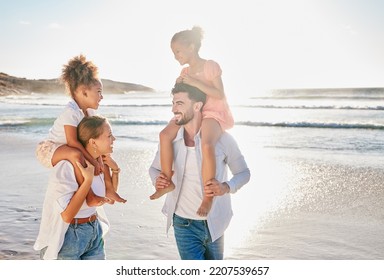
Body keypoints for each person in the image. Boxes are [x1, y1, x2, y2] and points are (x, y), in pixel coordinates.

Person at [149, 83, 250, 260]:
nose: (173, 109)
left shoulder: (223, 140)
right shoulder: (171, 141)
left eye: (179, 103)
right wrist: (158, 179)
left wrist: (227, 186)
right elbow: (154, 169)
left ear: (197, 106)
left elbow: (243, 173)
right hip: (183, 223)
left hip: (215, 222)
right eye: (172, 103)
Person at [150, 26, 234, 217]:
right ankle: (167, 181)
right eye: (173, 52)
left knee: (205, 144)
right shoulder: (185, 71)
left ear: (192, 46)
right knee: (164, 135)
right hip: (191, 112)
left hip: (212, 112)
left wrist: (195, 83)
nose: (175, 56)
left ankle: (208, 195)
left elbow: (219, 93)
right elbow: (180, 94)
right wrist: (180, 83)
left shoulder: (210, 66)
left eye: (177, 51)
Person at [35, 54, 126, 204]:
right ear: (84, 93)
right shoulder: (71, 112)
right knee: (76, 154)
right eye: (98, 92)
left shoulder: (90, 112)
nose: (101, 97)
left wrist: (99, 159)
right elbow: (73, 142)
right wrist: (92, 161)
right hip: (51, 148)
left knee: (101, 154)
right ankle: (89, 196)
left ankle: (109, 189)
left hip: (69, 146)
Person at [34, 115, 121, 260]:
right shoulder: (67, 166)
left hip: (94, 231)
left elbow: (109, 199)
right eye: (109, 136)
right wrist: (87, 181)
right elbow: (67, 216)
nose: (114, 139)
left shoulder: (99, 164)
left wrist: (116, 170)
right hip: (68, 237)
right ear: (93, 142)